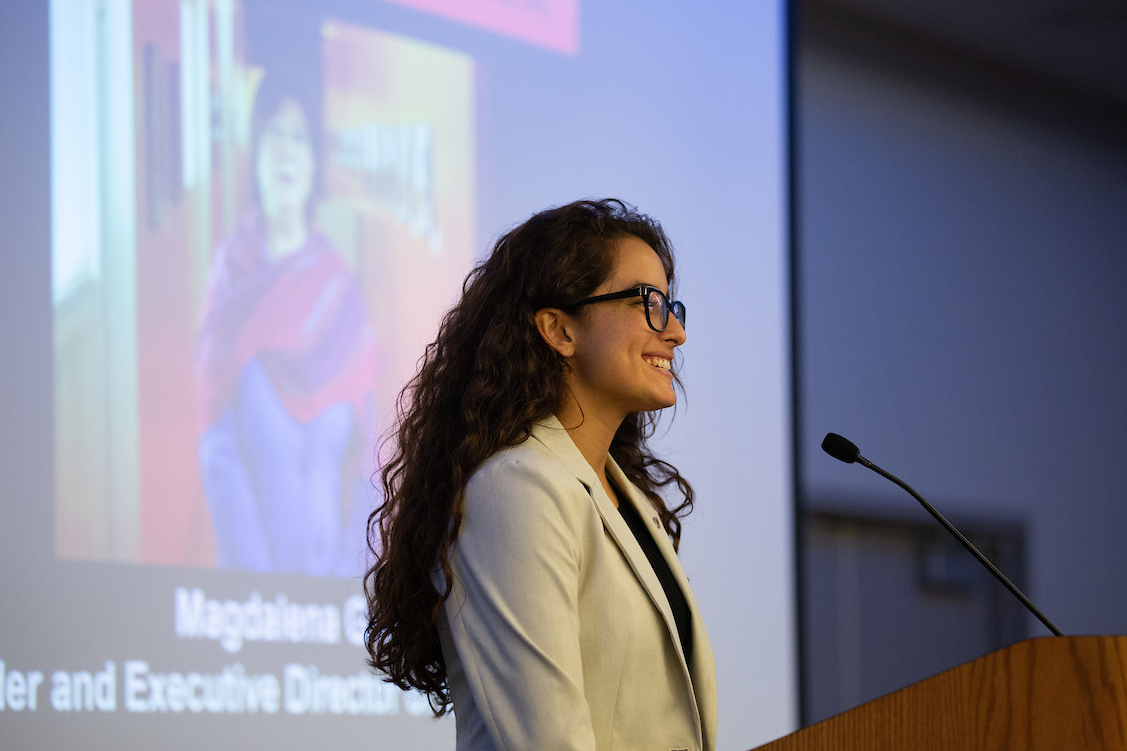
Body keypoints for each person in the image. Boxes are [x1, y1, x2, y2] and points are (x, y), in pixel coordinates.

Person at [364, 199, 716, 750]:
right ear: (559, 329)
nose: (675, 331)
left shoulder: (626, 499)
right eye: (647, 302)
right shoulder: (516, 489)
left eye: (671, 305)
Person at [194, 77, 376, 576]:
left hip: (339, 599)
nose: (287, 152)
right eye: (274, 134)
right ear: (254, 153)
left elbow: (370, 455)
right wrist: (261, 584)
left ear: (315, 161)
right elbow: (217, 449)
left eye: (299, 138)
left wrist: (351, 571)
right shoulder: (232, 276)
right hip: (250, 603)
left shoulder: (340, 291)